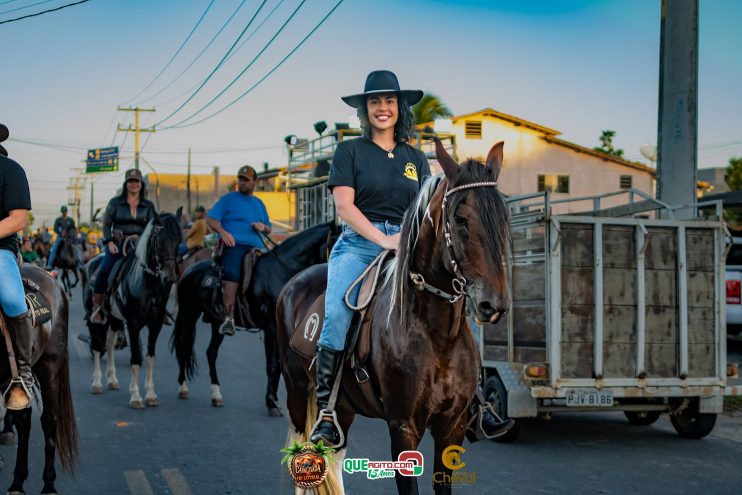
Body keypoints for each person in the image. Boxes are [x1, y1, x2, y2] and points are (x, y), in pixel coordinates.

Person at [309, 70, 513, 446]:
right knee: (338, 312)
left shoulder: (415, 157)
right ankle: (326, 411)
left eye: (389, 101)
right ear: (365, 109)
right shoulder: (349, 151)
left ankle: (475, 403)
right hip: (359, 242)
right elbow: (344, 206)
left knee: (454, 304)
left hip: (406, 245)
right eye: (374, 102)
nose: (382, 108)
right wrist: (383, 239)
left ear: (399, 107)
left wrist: (408, 242)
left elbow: (426, 209)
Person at [206, 165, 271, 336]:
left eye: (246, 180)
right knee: (233, 272)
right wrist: (223, 232)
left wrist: (262, 226)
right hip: (235, 245)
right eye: (240, 179)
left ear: (254, 182)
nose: (242, 183)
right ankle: (228, 318)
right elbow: (211, 219)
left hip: (258, 247)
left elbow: (269, 228)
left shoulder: (259, 203)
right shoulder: (228, 199)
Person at [90, 168, 157, 324]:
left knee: (158, 272)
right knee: (104, 270)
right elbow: (106, 225)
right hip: (118, 245)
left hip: (141, 247)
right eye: (130, 181)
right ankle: (97, 307)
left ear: (141, 184)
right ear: (126, 184)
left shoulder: (148, 205)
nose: (134, 184)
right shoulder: (115, 202)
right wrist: (110, 242)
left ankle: (160, 308)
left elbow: (154, 226)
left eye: (137, 181)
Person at [0, 123, 36, 410]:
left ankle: (22, 375)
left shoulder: (10, 170)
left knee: (12, 298)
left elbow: (18, 219)